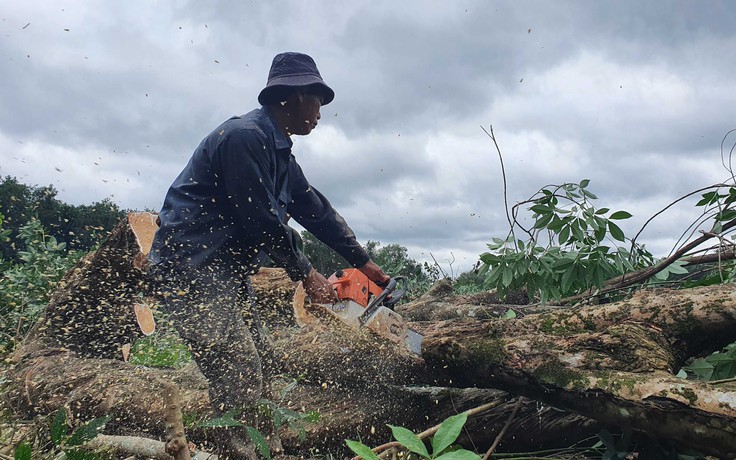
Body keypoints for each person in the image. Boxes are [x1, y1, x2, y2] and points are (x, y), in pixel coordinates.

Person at [148, 52, 390, 459]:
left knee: (261, 357)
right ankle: (243, 453)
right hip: (190, 267)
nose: (319, 112)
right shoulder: (245, 137)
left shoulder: (279, 154)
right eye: (317, 101)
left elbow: (315, 210)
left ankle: (268, 450)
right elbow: (258, 218)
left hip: (225, 271)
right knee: (238, 365)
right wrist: (306, 273)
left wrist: (364, 262)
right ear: (294, 97)